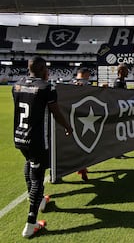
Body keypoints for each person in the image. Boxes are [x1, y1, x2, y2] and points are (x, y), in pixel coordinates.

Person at [12, 57, 72, 238]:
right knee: (38, 178)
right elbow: (55, 112)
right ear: (43, 69)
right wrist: (68, 127)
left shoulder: (17, 85)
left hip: (19, 136)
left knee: (29, 164)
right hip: (37, 139)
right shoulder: (47, 87)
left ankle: (38, 201)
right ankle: (31, 223)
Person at [72, 67, 90, 181]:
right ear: (85, 74)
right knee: (83, 145)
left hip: (73, 118)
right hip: (83, 120)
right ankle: (82, 169)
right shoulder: (84, 84)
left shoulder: (70, 83)